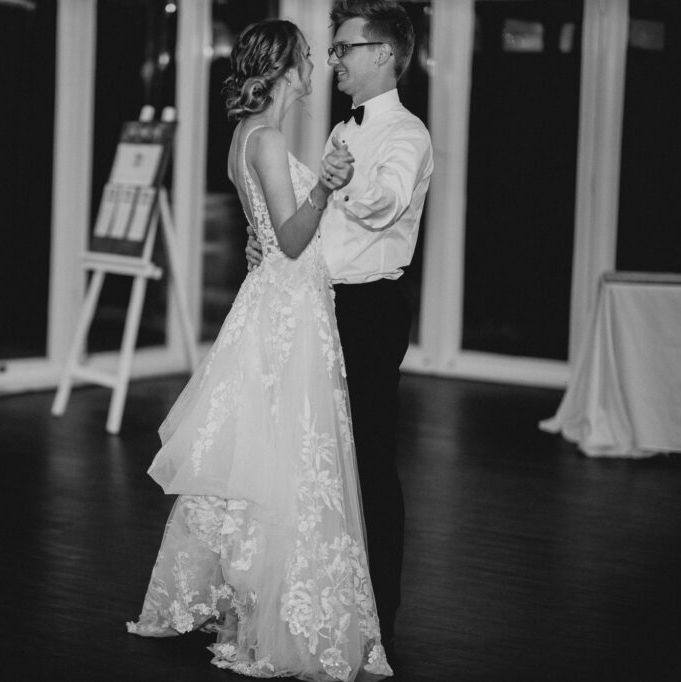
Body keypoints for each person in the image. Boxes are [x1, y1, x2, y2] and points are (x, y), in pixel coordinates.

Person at [127, 18, 393, 682]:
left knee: (255, 456)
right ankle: (276, 610)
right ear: (282, 70)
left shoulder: (244, 137)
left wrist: (280, 231)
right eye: (306, 59)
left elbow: (265, 234)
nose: (313, 69)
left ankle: (242, 593)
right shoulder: (268, 138)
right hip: (290, 313)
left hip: (275, 302)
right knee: (286, 459)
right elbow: (294, 238)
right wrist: (327, 186)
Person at [246, 0, 434, 651]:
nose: (335, 62)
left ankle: (380, 611)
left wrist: (346, 183)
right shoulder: (339, 130)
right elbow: (315, 222)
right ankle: (332, 601)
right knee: (325, 461)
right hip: (326, 307)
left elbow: (384, 204)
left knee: (372, 460)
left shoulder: (407, 135)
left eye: (346, 48)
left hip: (372, 312)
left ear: (383, 53)